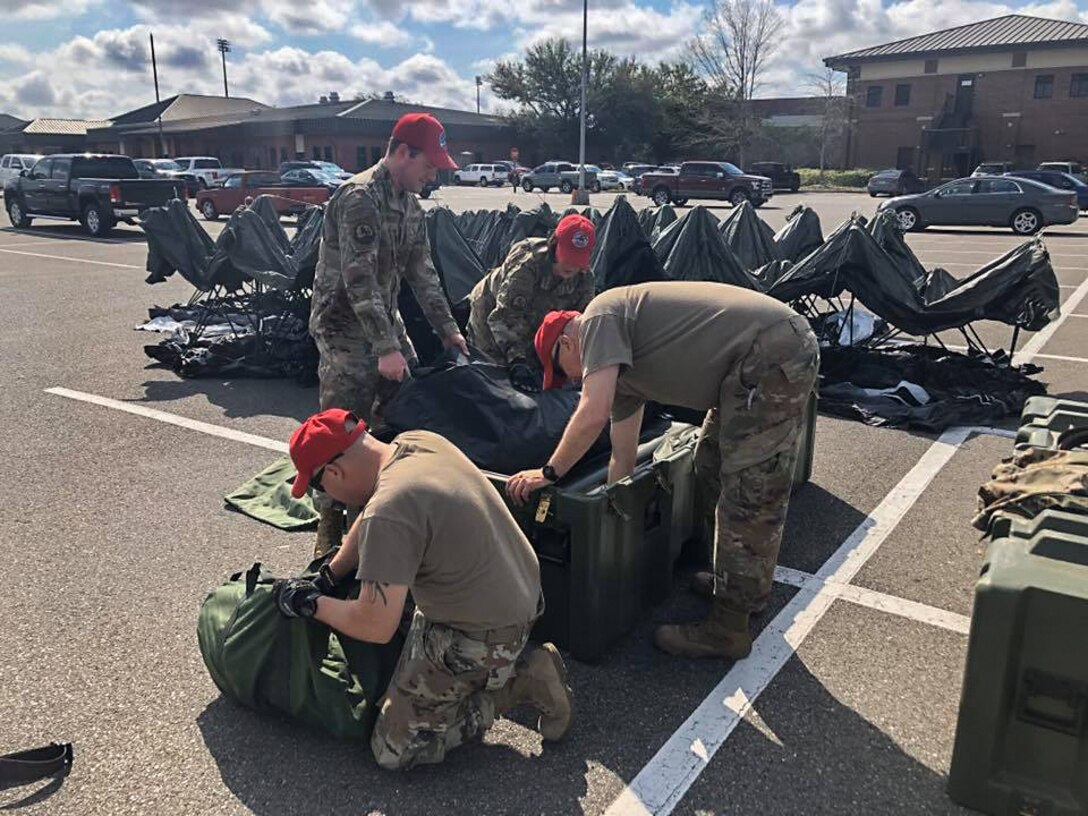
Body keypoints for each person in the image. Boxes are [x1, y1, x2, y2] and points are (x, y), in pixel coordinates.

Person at [505, 282, 819, 660]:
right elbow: (621, 458)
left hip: (771, 351)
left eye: (562, 370)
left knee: (750, 491)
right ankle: (738, 588)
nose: (571, 380)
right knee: (710, 465)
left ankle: (728, 628)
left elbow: (592, 412)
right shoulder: (624, 375)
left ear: (569, 343)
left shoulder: (599, 319)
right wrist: (610, 525)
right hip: (744, 370)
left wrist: (548, 474)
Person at [272, 409, 574, 770]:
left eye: (321, 487)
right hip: (518, 591)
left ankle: (521, 682)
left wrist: (313, 604)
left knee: (394, 750)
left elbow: (375, 624)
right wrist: (331, 575)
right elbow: (371, 518)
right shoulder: (414, 442)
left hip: (482, 635)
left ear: (335, 472)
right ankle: (483, 672)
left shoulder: (391, 509)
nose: (328, 498)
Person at [309, 112, 469, 555]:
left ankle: (375, 510)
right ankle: (328, 529)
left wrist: (448, 331)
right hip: (344, 326)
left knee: (401, 408)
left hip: (382, 320)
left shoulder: (410, 206)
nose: (433, 174)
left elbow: (423, 274)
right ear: (402, 152)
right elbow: (358, 278)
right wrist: (384, 348)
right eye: (429, 165)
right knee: (342, 427)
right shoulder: (360, 197)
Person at [467, 214, 596, 391]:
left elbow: (582, 323)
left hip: (536, 322)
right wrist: (518, 360)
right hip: (492, 318)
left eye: (577, 260)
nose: (571, 266)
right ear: (554, 244)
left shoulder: (585, 279)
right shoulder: (527, 266)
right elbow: (503, 317)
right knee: (494, 381)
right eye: (567, 256)